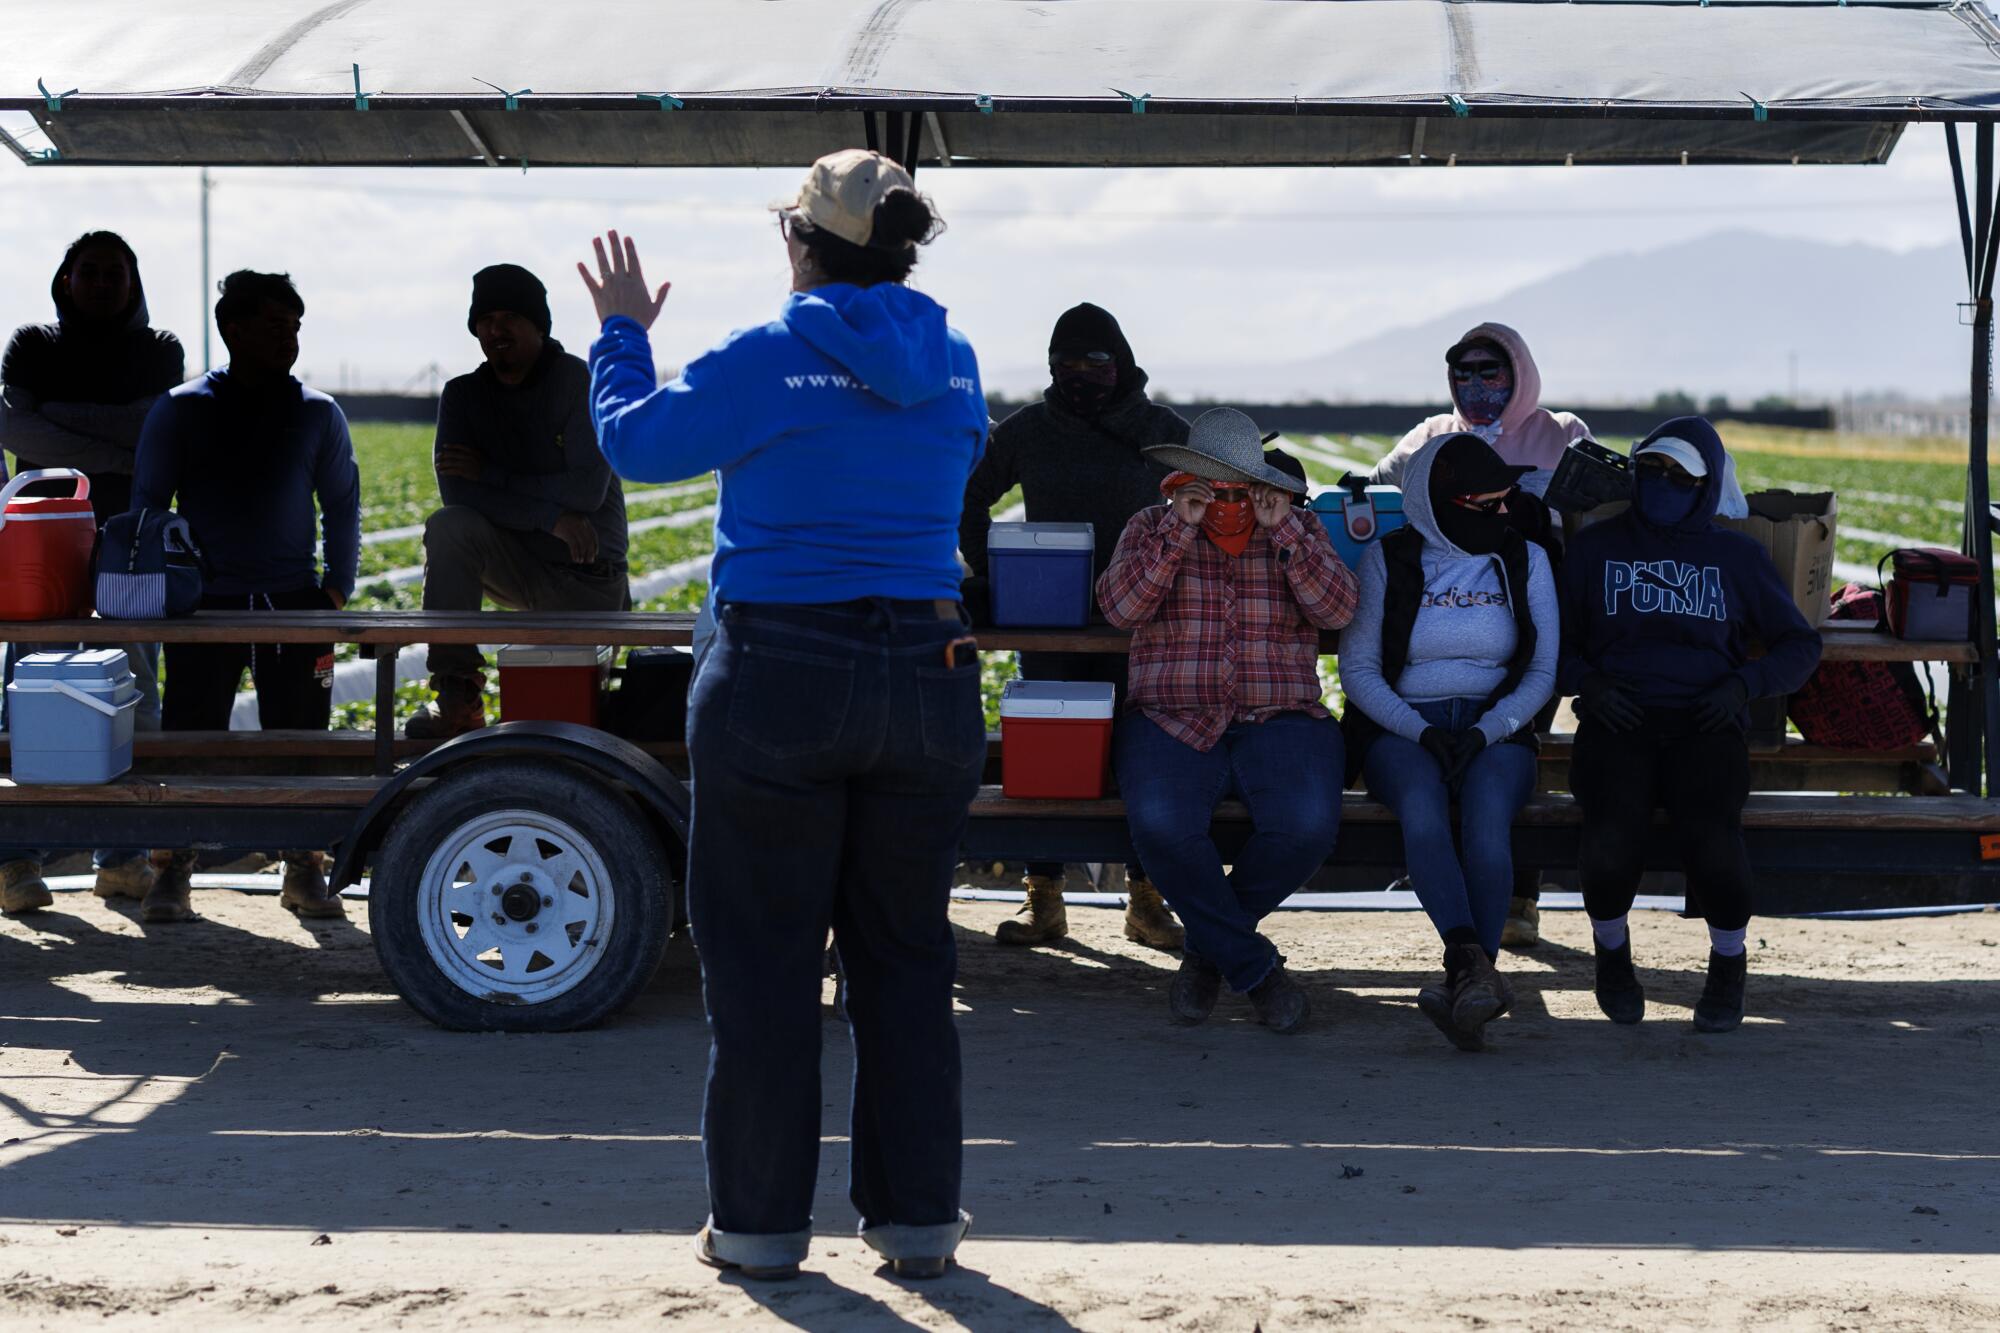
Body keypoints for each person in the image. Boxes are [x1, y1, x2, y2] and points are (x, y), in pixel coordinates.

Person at [579, 149, 988, 1280]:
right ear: (902, 247)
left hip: (780, 670)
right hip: (926, 667)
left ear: (799, 243)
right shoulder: (951, 359)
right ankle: (914, 1227)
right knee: (904, 958)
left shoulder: (770, 354)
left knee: (764, 963)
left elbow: (636, 442)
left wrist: (619, 333)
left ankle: (759, 1229)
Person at [1098, 408, 1358, 1035]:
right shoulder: (1147, 527)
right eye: (1213, 490)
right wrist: (1178, 533)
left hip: (1281, 716)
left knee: (1307, 827)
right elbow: (1121, 609)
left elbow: (1339, 610)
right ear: (1186, 483)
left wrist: (1287, 532)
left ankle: (1206, 952)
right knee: (1161, 828)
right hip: (1171, 716)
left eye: (1238, 491)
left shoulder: (1297, 529)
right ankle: (1255, 968)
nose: (1227, 504)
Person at [1558, 417, 1821, 1033]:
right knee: (1610, 835)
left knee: (1712, 836)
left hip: (1706, 719)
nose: (1664, 483)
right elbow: (1555, 644)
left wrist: (1742, 685)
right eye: (1652, 469)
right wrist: (1588, 683)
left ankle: (1728, 968)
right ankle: (1612, 956)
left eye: (1681, 475)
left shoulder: (1737, 556)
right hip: (1617, 717)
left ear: (1707, 485)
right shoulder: (1596, 547)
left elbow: (1797, 646)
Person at [129, 270, 360, 924]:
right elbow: (148, 505)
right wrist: (166, 589)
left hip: (295, 601)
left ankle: (303, 867)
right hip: (205, 603)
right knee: (189, 737)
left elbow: (342, 504)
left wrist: (336, 588)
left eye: (294, 327)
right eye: (271, 325)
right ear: (230, 327)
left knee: (304, 739)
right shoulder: (184, 408)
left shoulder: (316, 412)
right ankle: (170, 871)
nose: (286, 339)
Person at [959, 302, 1188, 950]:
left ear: (1122, 365)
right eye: (1066, 366)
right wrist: (997, 569)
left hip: (1140, 625)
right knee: (1047, 757)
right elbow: (968, 496)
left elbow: (1212, 498)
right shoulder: (1029, 431)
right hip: (1048, 626)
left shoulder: (1160, 429)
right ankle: (1044, 899)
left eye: (1095, 364)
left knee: (1139, 758)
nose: (1081, 376)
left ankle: (1147, 898)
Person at [1369, 322, 1589, 948]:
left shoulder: (1561, 435)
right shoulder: (1428, 439)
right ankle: (1472, 946)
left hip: (1527, 611)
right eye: (1461, 374)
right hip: (1438, 630)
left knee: (1514, 750)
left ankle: (1521, 895)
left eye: (1489, 372)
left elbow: (1597, 517)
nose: (1475, 386)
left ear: (1518, 374)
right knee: (1441, 790)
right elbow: (1378, 496)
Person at [1340, 434, 1558, 1051]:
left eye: (1506, 502)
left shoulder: (1525, 559)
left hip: (1500, 726)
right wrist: (1423, 730)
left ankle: (1466, 976)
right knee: (1421, 807)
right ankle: (1476, 980)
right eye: (1486, 505)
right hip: (1406, 724)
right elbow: (1358, 672)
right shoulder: (1389, 560)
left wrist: (1489, 729)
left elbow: (1542, 672)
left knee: (1488, 817)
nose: (1503, 515)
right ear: (1438, 504)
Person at [0, 231, 185, 915]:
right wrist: (109, 440)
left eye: (117, 273)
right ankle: (14, 859)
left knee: (134, 686)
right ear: (65, 279)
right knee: (28, 690)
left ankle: (125, 856)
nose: (104, 283)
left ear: (134, 284)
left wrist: (62, 427)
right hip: (39, 549)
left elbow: (152, 432)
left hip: (127, 546)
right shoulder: (31, 344)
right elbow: (16, 431)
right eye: (91, 272)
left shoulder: (159, 348)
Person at [405, 264, 630, 738]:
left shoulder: (577, 382)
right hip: (519, 566)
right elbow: (459, 495)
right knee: (448, 526)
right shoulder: (463, 396)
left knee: (580, 723)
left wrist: (489, 473)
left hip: (590, 576)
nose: (495, 329)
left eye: (510, 317)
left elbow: (586, 491)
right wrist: (549, 517)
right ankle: (457, 694)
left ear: (538, 325)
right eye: (485, 320)